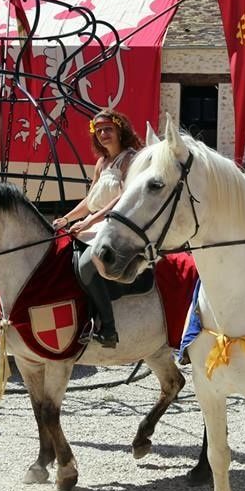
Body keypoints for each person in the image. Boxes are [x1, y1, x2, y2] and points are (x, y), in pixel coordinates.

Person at [52, 109, 143, 347]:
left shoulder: (131, 159)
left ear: (120, 130)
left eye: (108, 129)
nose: (103, 134)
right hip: (95, 223)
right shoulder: (102, 163)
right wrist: (67, 219)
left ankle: (109, 328)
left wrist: (89, 222)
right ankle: (81, 317)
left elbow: (122, 199)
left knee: (85, 266)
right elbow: (90, 200)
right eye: (99, 130)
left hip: (117, 225)